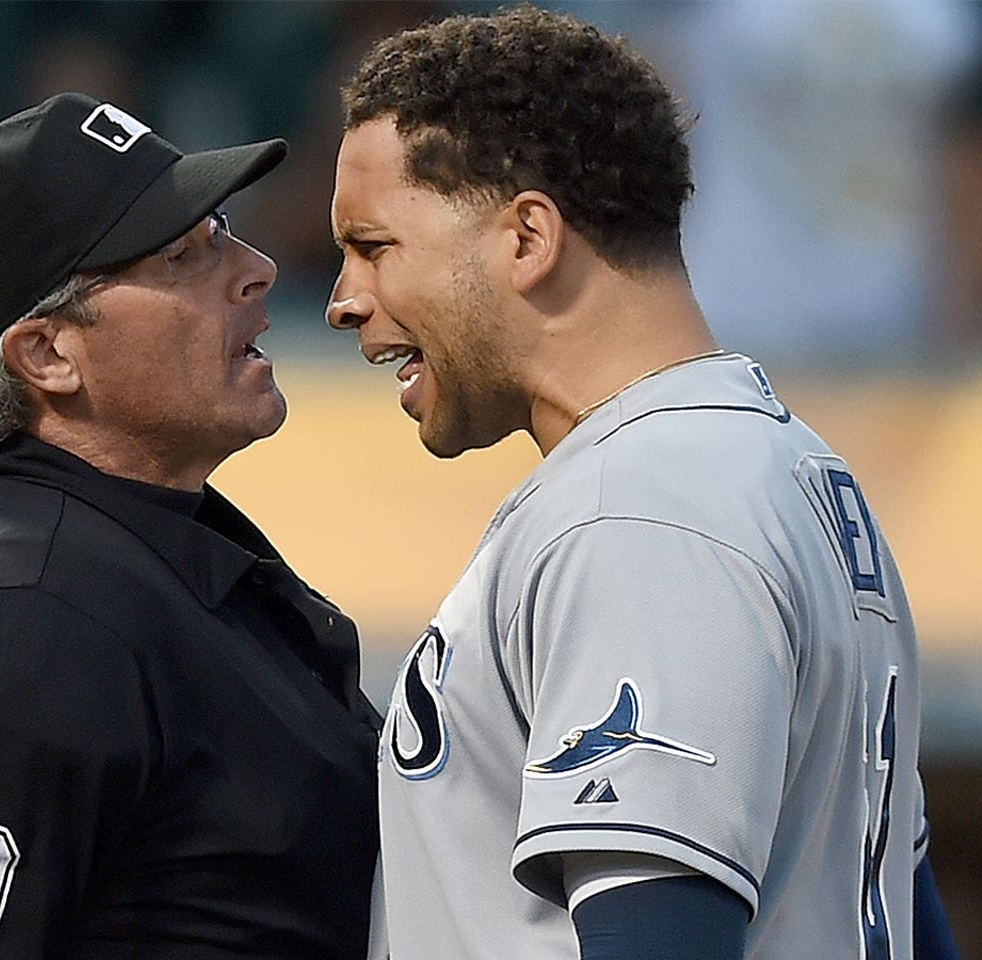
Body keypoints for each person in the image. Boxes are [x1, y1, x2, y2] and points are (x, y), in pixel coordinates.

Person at [325, 7, 959, 960]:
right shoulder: (788, 472)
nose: (344, 299)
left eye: (374, 246)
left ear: (528, 237)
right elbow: (914, 922)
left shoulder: (642, 512)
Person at [0, 91, 380, 959]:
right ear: (47, 354)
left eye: (224, 227)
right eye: (184, 254)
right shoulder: (27, 626)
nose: (255, 267)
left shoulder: (132, 564)